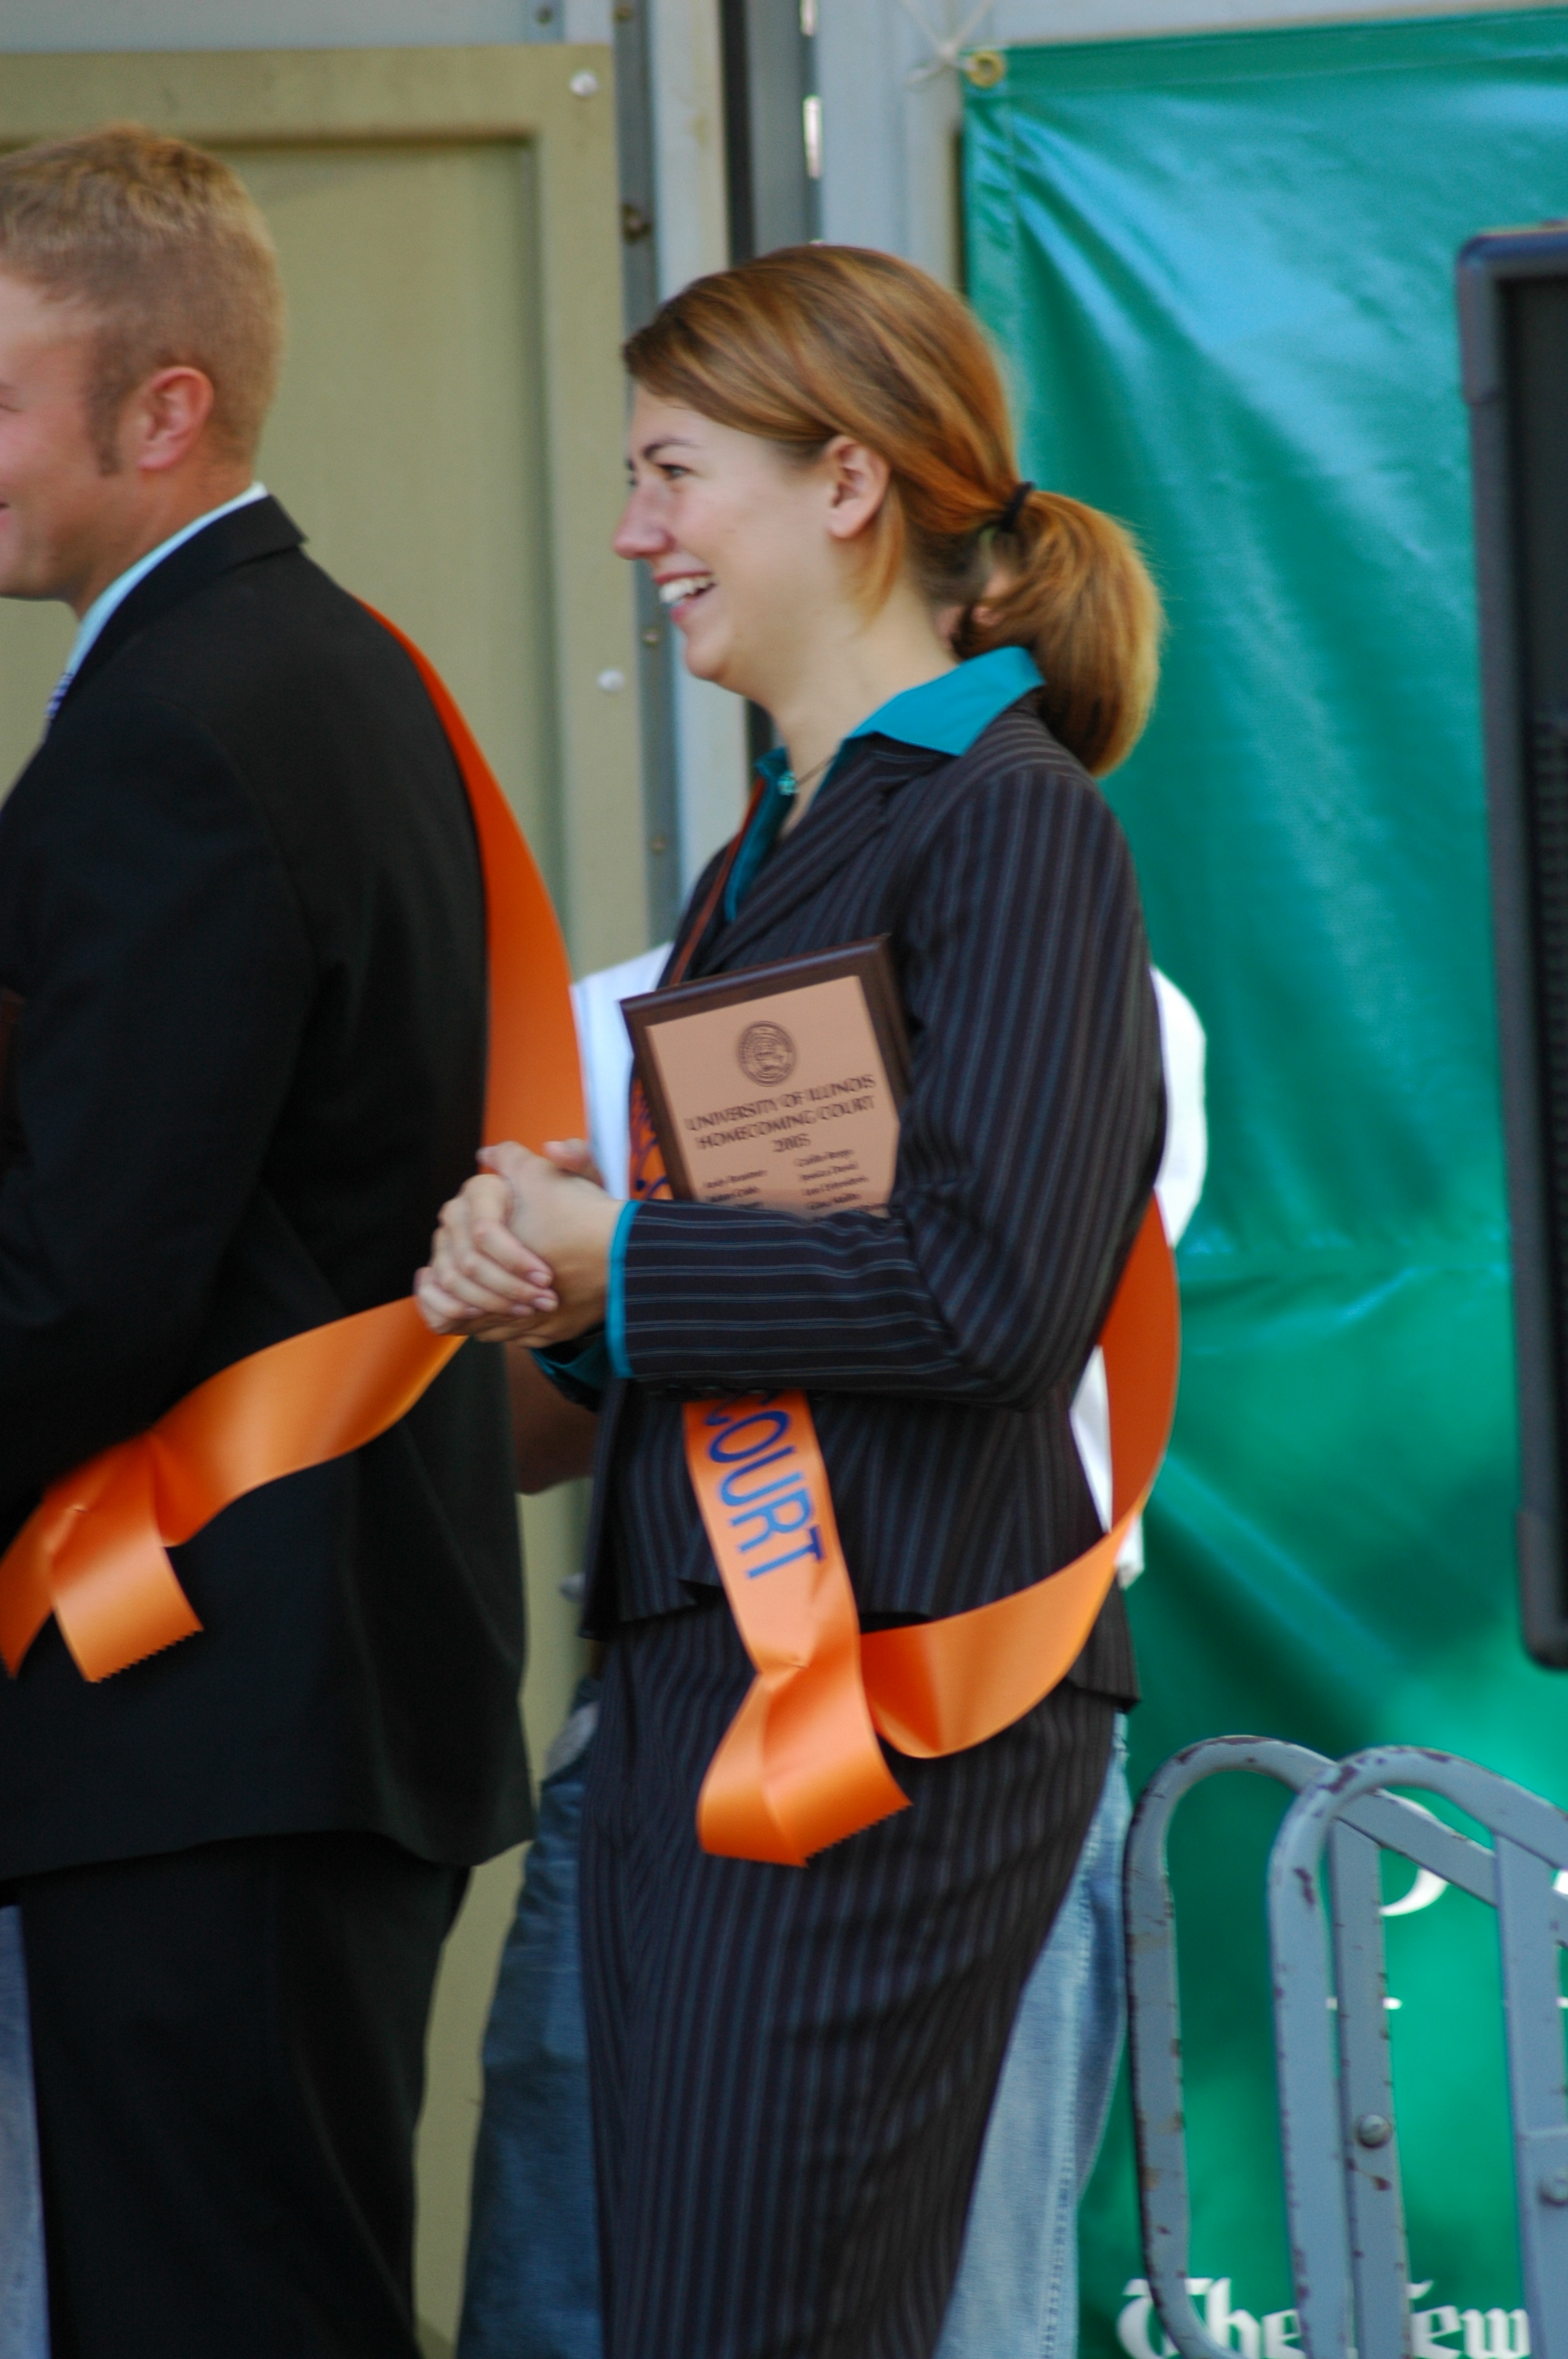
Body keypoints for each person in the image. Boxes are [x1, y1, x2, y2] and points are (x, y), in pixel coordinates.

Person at [419, 243, 1166, 2359]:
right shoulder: (766, 856)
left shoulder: (1011, 826)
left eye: (674, 471)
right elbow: (797, 1279)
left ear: (848, 483)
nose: (636, 531)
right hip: (716, 1684)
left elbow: (985, 1297)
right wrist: (554, 1291)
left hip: (893, 1699)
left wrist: (625, 1260)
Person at [0, 127, 531, 2358]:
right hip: (290, 1689)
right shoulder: (320, 660)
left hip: (210, 1696)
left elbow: (79, 1277)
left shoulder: (176, 721)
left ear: (166, 407)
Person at [455, 963, 1206, 2359]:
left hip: (964, 1717)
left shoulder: (1082, 989)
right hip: (668, 1716)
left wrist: (648, 1261)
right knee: (576, 2288)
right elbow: (515, 1439)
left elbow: (993, 1327)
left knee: (950, 2302)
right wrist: (538, 1302)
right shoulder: (615, 1006)